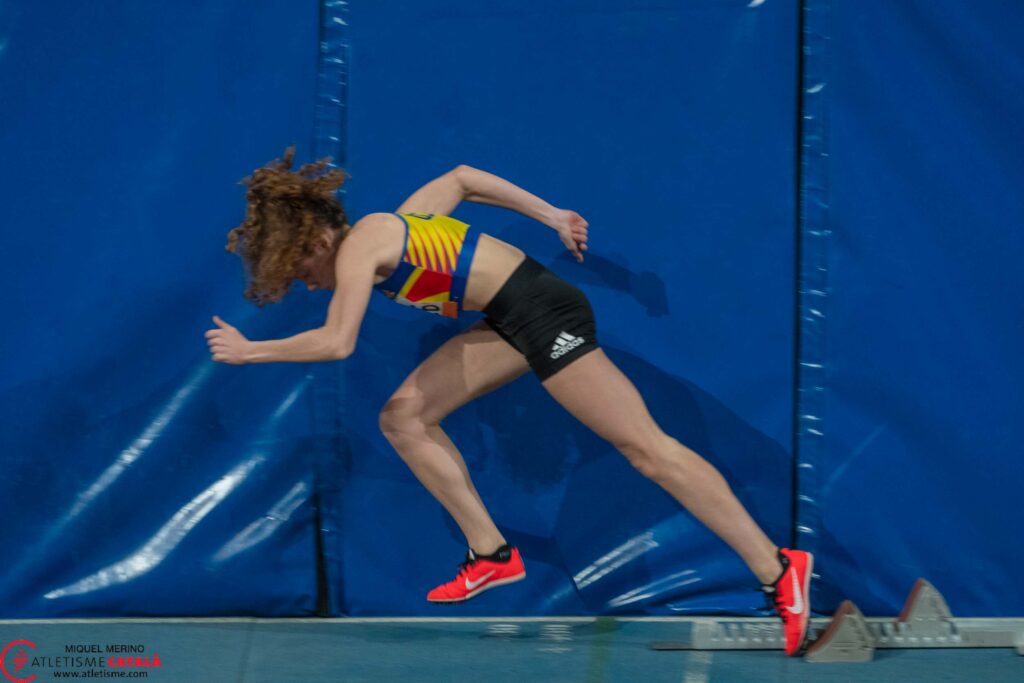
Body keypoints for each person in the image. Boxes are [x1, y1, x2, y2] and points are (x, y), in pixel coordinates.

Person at [206, 147, 814, 656]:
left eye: (299, 267)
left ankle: (778, 570)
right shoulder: (397, 227)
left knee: (648, 451)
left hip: (545, 314)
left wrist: (251, 352)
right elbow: (461, 179)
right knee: (404, 417)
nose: (305, 282)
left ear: (316, 237)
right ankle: (491, 553)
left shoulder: (365, 241)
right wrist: (552, 216)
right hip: (510, 320)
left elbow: (337, 341)